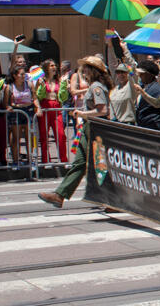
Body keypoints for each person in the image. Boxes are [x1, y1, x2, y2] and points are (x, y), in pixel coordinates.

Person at [37, 56, 110, 207]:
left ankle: (111, 199)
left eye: (87, 68)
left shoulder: (96, 87)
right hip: (89, 127)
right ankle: (60, 195)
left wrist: (83, 114)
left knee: (101, 164)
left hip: (97, 128)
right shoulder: (93, 86)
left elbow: (103, 110)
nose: (84, 71)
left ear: (94, 71)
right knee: (79, 163)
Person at [34, 59, 69, 164]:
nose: (54, 67)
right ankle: (45, 160)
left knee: (61, 135)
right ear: (46, 68)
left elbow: (64, 97)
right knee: (44, 136)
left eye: (55, 65)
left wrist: (64, 85)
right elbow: (37, 95)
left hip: (56, 108)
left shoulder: (59, 80)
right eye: (51, 66)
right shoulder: (42, 81)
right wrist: (39, 86)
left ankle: (63, 160)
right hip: (45, 108)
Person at [4, 64, 37, 166]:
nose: (24, 76)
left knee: (29, 137)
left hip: (28, 111)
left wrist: (38, 107)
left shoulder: (29, 84)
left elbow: (35, 98)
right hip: (16, 112)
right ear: (15, 75)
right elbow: (6, 103)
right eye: (22, 74)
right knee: (16, 138)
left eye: (24, 74)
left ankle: (30, 159)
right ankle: (15, 161)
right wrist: (9, 107)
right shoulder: (9, 87)